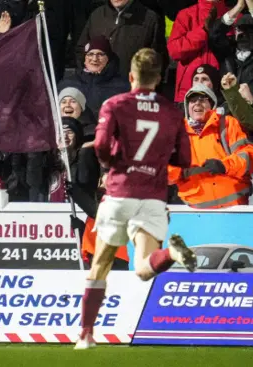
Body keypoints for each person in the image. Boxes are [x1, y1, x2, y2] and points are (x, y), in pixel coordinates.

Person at [75, 48, 197, 350]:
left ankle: (86, 335)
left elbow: (101, 146)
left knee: (100, 265)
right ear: (157, 79)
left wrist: (112, 162)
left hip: (119, 193)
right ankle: (171, 255)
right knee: (143, 268)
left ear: (131, 76)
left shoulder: (115, 104)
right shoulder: (171, 111)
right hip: (153, 196)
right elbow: (184, 158)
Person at [168, 83, 253, 208]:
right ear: (187, 106)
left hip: (234, 209)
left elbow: (248, 156)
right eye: (192, 101)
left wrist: (224, 166)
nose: (197, 104)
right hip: (195, 213)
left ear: (212, 105)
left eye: (202, 100)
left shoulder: (228, 124)